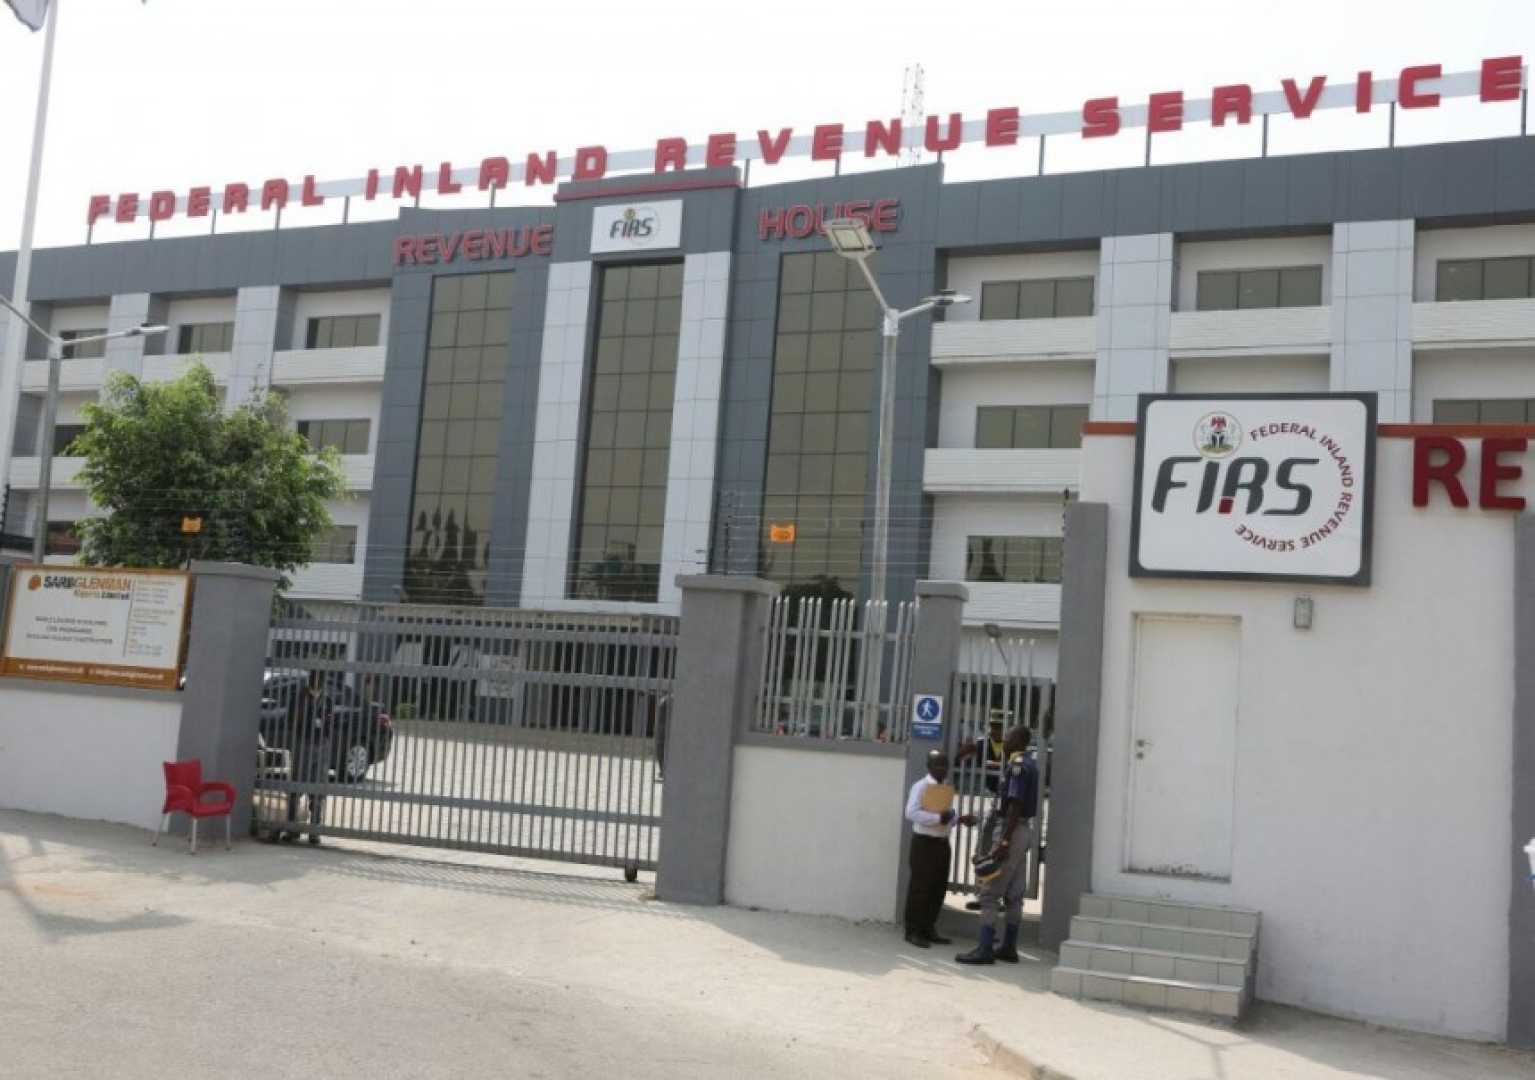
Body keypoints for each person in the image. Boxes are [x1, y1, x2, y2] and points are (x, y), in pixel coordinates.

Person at [957, 726, 1040, 965]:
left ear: (1019, 741)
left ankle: (985, 948)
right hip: (1022, 831)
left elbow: (1014, 804)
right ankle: (1009, 947)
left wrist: (1003, 840)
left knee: (990, 893)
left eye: (1008, 737)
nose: (1004, 740)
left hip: (1010, 831)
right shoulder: (1030, 764)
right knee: (1014, 893)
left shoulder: (1017, 766)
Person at [902, 750, 976, 949]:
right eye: (938, 765)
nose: (942, 769)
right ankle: (913, 931)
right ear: (929, 766)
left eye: (945, 765)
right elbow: (911, 812)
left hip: (942, 843)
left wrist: (959, 819)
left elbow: (946, 816)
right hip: (924, 844)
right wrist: (937, 818)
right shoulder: (921, 786)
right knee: (920, 888)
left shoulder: (946, 787)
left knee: (938, 888)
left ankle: (928, 928)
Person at [279, 670, 334, 846]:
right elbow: (290, 720)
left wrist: (324, 732)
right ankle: (291, 829)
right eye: (315, 679)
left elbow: (330, 722)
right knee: (296, 788)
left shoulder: (327, 700)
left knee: (317, 790)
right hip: (303, 744)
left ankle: (314, 831)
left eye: (321, 679)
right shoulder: (299, 698)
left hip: (321, 746)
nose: (318, 683)